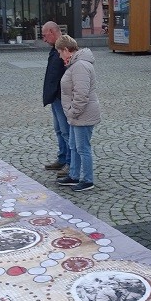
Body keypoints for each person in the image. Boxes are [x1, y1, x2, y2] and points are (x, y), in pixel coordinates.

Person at [54, 35, 100, 192]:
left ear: (66, 50)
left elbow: (81, 94)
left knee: (82, 148)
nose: (60, 56)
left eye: (60, 52)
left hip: (82, 114)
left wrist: (72, 111)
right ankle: (74, 176)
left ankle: (87, 180)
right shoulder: (75, 64)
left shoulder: (80, 65)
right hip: (76, 114)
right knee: (74, 146)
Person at [41, 21, 70, 178]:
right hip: (55, 97)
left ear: (52, 32)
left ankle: (70, 164)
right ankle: (62, 158)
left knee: (66, 132)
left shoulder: (65, 47)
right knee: (59, 130)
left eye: (45, 35)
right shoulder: (55, 48)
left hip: (61, 97)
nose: (44, 39)